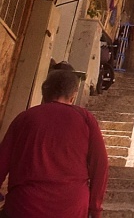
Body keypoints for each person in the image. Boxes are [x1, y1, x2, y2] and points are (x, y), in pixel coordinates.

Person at [0, 68, 109, 218]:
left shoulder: (24, 118)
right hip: (71, 208)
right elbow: (100, 165)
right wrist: (96, 208)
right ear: (73, 96)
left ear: (44, 94)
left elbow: (2, 160)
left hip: (25, 205)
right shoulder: (85, 119)